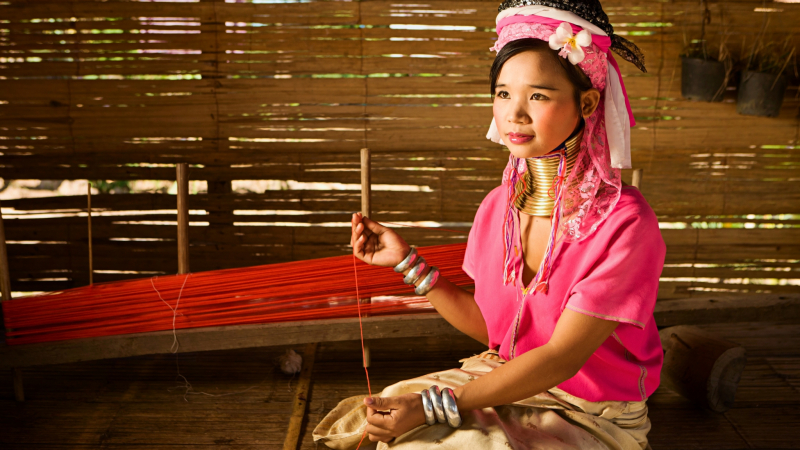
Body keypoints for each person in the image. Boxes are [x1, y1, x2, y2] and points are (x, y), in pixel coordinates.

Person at [314, 1, 665, 449]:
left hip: (591, 409)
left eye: (537, 95)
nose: (514, 113)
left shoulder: (625, 224)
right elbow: (498, 331)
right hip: (506, 374)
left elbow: (560, 358)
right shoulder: (498, 207)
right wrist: (406, 261)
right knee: (382, 408)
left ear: (588, 101)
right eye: (503, 93)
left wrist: (433, 406)